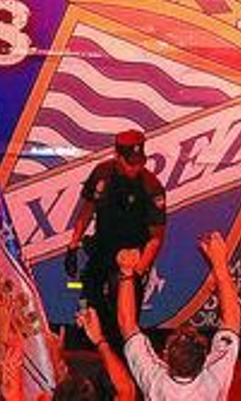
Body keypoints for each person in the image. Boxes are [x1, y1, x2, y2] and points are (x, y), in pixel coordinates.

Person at [65, 130, 166, 341]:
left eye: (140, 161)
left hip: (130, 258)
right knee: (92, 306)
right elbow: (87, 209)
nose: (136, 167)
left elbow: (156, 237)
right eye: (131, 162)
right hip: (101, 251)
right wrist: (73, 245)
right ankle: (98, 352)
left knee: (124, 322)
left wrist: (136, 273)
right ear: (118, 157)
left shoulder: (151, 187)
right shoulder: (102, 174)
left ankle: (122, 362)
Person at [118, 231, 240, 400]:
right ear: (205, 359)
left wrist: (126, 271)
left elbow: (127, 325)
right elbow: (232, 320)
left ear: (165, 355)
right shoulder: (213, 381)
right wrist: (220, 264)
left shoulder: (155, 382)